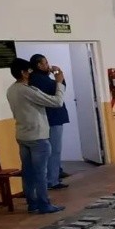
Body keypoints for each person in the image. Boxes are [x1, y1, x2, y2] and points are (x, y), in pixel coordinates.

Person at [5, 58, 66, 214]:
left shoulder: (11, 89)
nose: (31, 73)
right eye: (29, 71)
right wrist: (59, 83)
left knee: (28, 171)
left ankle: (32, 203)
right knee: (40, 172)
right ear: (23, 73)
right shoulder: (27, 90)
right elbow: (56, 102)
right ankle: (44, 204)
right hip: (37, 136)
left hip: (22, 134)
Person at [28, 54, 69, 190]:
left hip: (52, 117)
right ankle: (52, 180)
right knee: (54, 150)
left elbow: (60, 88)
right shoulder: (38, 79)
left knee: (53, 150)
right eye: (45, 63)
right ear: (39, 65)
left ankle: (54, 175)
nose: (48, 65)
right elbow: (57, 91)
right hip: (51, 118)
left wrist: (59, 78)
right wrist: (59, 78)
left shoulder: (41, 77)